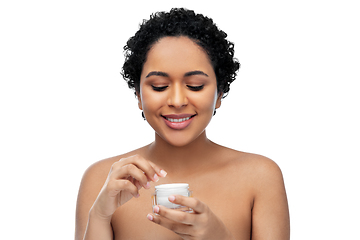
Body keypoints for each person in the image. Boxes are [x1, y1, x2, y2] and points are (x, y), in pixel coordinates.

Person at [75, 8, 290, 240]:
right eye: (159, 86)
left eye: (195, 85)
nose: (177, 101)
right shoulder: (104, 180)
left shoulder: (260, 177)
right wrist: (99, 216)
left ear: (220, 94)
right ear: (138, 95)